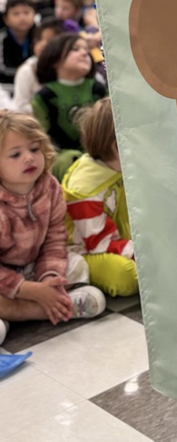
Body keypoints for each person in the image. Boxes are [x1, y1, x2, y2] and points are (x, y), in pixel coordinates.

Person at [0, 110, 106, 346]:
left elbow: (55, 240)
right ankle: (48, 309)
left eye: (34, 149)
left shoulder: (50, 187)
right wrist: (30, 290)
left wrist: (50, 278)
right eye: (15, 154)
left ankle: (35, 307)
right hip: (5, 278)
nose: (29, 158)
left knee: (78, 264)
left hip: (33, 267)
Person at [62, 99, 137, 297]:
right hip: (87, 252)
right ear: (117, 146)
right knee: (126, 276)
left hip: (116, 240)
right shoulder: (85, 187)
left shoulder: (115, 167)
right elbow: (98, 244)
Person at [32, 32, 108, 180]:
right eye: (75, 49)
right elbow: (44, 139)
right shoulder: (45, 97)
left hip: (101, 152)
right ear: (54, 59)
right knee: (68, 160)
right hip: (64, 157)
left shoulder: (98, 89)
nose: (84, 53)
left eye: (86, 49)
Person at [11, 17, 63, 115]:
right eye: (39, 39)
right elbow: (20, 106)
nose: (42, 44)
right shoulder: (28, 70)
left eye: (50, 40)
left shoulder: (69, 67)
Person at [0, 0, 36, 95]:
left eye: (26, 12)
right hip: (7, 87)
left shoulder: (39, 36)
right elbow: (2, 70)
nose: (22, 17)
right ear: (6, 19)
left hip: (34, 86)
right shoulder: (2, 39)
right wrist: (25, 74)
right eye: (16, 14)